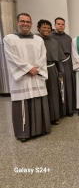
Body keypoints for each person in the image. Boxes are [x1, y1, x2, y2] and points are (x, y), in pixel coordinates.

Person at [3, 13, 50, 142]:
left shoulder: (38, 39)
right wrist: (28, 68)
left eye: (28, 22)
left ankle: (40, 129)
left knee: (38, 101)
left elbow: (43, 56)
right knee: (22, 104)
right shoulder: (9, 39)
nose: (25, 24)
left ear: (31, 23)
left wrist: (35, 69)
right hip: (22, 78)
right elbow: (12, 58)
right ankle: (23, 134)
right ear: (17, 22)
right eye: (22, 21)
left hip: (36, 74)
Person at [37, 20, 65, 125]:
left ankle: (55, 116)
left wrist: (60, 73)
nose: (46, 29)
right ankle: (43, 117)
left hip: (52, 69)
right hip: (39, 70)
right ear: (38, 28)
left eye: (48, 28)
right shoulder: (36, 40)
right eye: (44, 27)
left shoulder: (53, 42)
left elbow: (58, 59)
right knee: (41, 94)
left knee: (53, 94)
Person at [50, 17, 76, 117]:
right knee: (58, 88)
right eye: (58, 24)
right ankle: (59, 111)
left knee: (68, 86)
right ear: (55, 25)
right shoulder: (51, 37)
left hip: (67, 63)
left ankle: (69, 109)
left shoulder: (68, 38)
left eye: (62, 24)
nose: (61, 26)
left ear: (64, 25)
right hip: (56, 64)